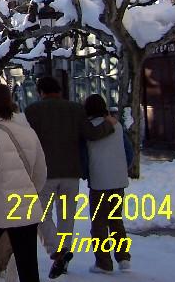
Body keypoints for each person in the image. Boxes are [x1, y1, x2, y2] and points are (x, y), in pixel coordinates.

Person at [24, 76, 115, 279]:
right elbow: (91, 134)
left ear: (41, 92)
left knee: (39, 212)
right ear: (60, 90)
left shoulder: (32, 111)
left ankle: (57, 250)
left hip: (44, 172)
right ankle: (63, 251)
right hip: (71, 172)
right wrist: (109, 124)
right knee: (66, 215)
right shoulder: (76, 109)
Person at [0, 83, 47, 282]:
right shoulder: (28, 131)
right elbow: (40, 172)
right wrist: (30, 194)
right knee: (28, 266)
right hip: (27, 208)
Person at [83, 94, 132, 274]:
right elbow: (128, 150)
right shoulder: (116, 125)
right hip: (118, 180)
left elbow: (84, 154)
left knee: (99, 223)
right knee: (116, 219)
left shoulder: (88, 128)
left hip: (99, 181)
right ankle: (124, 257)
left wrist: (84, 172)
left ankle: (103, 262)